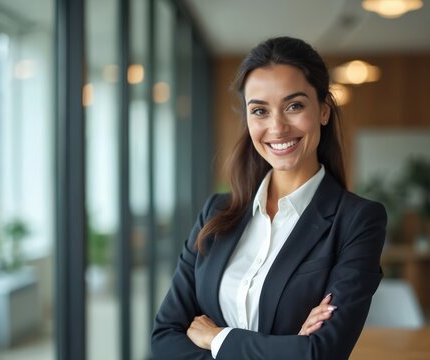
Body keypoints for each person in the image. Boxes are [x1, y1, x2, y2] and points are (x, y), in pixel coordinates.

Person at [151, 36, 387, 360]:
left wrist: (218, 338)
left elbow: (321, 353)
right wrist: (286, 348)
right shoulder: (216, 214)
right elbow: (165, 338)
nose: (277, 127)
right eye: (260, 110)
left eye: (294, 106)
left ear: (323, 111)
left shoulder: (357, 222)